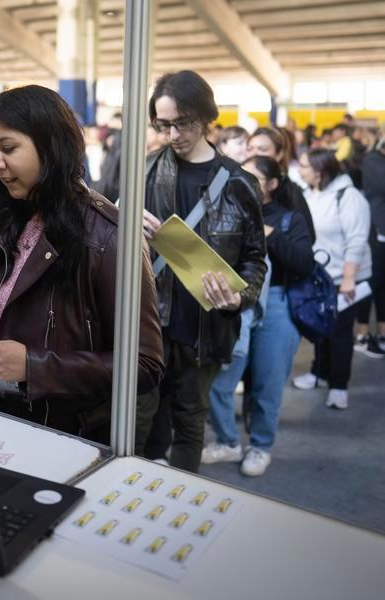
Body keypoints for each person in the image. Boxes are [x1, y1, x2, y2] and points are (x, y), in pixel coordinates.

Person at [0, 85, 164, 442]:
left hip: (60, 433)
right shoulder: (1, 216)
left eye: (8, 148)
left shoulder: (109, 236)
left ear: (51, 145)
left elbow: (145, 365)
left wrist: (33, 366)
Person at [135, 70, 267, 474]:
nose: (173, 134)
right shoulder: (147, 170)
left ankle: (179, 500)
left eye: (182, 122)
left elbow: (254, 259)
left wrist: (239, 296)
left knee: (191, 421)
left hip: (205, 324)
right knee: (136, 416)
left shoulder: (239, 183)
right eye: (164, 125)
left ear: (205, 116)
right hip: (151, 318)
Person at [203, 156, 315, 477]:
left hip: (278, 303)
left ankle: (261, 446)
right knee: (218, 382)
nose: (243, 183)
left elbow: (304, 263)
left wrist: (272, 235)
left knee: (268, 385)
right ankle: (227, 440)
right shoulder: (227, 210)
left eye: (253, 178)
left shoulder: (289, 219)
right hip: (239, 303)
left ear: (272, 185)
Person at [292, 149, 372, 409]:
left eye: (304, 166)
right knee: (320, 327)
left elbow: (357, 240)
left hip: (344, 277)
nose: (300, 170)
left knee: (339, 333)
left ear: (320, 170)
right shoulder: (309, 194)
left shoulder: (348, 197)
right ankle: (319, 372)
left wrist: (349, 278)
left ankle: (339, 385)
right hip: (319, 276)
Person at [247, 127, 315, 240]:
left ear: (279, 154)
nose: (254, 154)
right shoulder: (236, 185)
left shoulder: (290, 191)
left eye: (262, 149)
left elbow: (307, 237)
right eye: (249, 149)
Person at [354, 137, 385, 357]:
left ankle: (381, 334)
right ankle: (362, 334)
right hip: (375, 233)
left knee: (381, 285)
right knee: (371, 282)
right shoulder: (372, 160)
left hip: (380, 232)